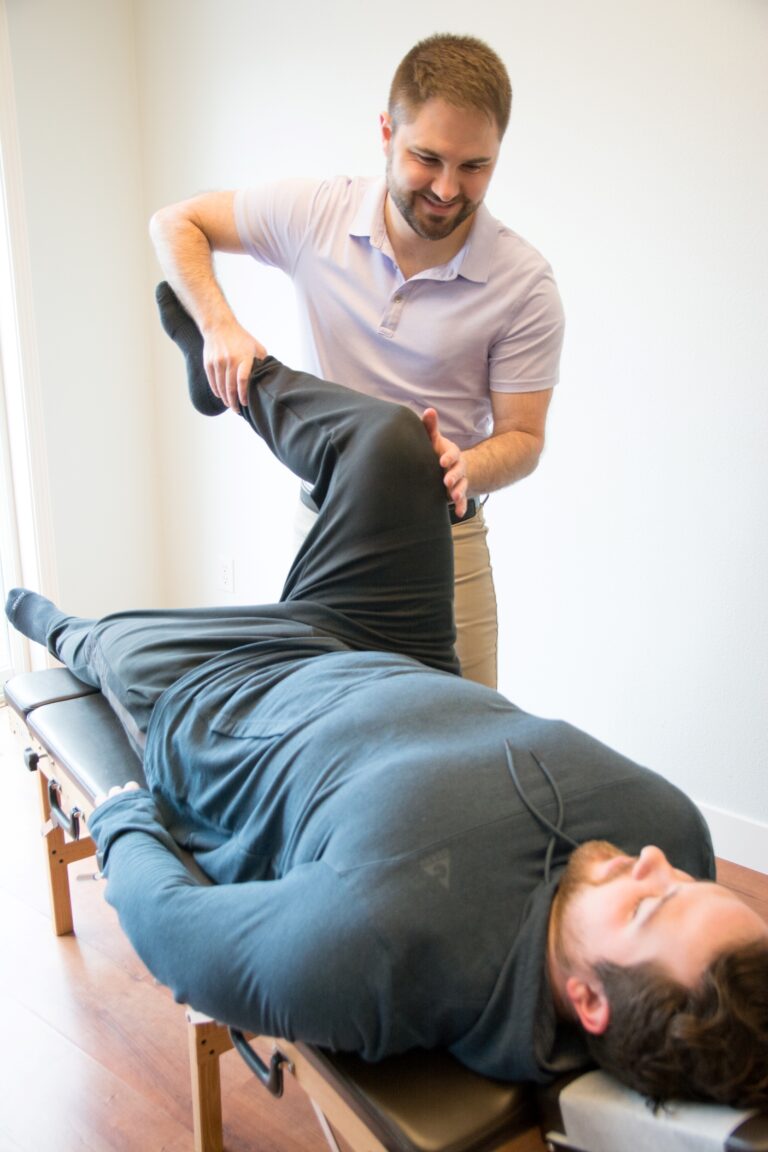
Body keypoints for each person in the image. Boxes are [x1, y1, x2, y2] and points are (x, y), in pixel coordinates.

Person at [6, 286, 766, 1109]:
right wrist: (670, 895)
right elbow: (676, 889)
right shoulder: (674, 832)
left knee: (96, 640)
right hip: (385, 645)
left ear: (590, 1001)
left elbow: (185, 946)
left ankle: (51, 623)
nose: (656, 864)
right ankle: (234, 374)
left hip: (225, 697)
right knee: (397, 442)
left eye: (652, 904)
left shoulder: (376, 953)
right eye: (694, 886)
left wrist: (120, 812)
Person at [149, 32, 566, 689]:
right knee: (319, 735)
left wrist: (467, 464)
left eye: (474, 166)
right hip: (327, 523)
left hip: (443, 542)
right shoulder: (317, 214)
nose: (448, 189)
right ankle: (233, 370)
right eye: (427, 158)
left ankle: (254, 386)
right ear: (385, 132)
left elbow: (525, 437)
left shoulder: (524, 283)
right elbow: (174, 223)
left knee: (461, 757)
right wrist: (220, 326)